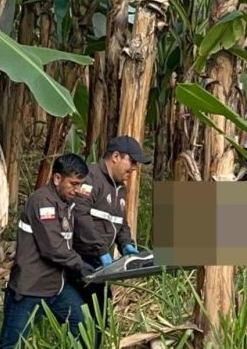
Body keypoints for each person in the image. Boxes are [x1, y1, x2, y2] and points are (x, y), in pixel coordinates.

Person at [0, 153, 95, 349]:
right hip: (30, 288)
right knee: (12, 344)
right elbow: (53, 249)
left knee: (85, 329)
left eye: (80, 184)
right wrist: (81, 266)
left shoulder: (68, 203)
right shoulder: (42, 202)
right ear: (57, 178)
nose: (77, 190)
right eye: (73, 184)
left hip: (57, 287)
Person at [72, 136, 151, 347]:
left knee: (101, 310)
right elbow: (80, 216)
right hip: (80, 259)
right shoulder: (90, 178)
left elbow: (120, 222)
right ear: (116, 157)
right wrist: (100, 251)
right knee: (83, 312)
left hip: (99, 262)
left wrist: (126, 243)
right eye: (132, 162)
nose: (134, 168)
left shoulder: (120, 189)